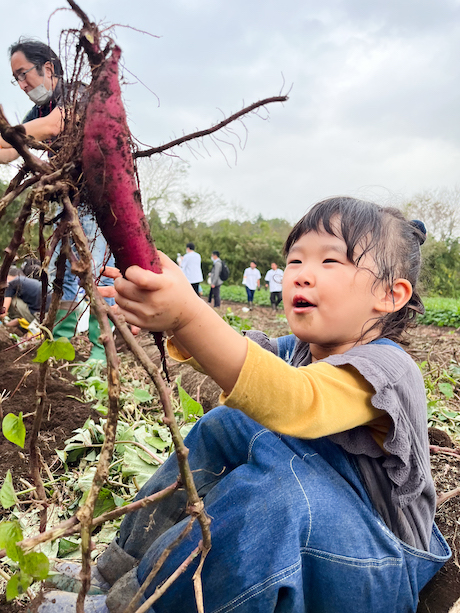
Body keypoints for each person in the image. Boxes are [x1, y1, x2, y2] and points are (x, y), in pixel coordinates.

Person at [34, 197, 451, 613]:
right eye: (294, 261)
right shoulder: (304, 350)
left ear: (390, 295)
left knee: (279, 491)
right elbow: (246, 358)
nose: (303, 275)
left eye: (330, 262)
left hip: (376, 571)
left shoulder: (387, 368)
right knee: (228, 424)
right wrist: (169, 317)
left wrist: (188, 314)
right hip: (325, 537)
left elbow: (296, 399)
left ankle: (145, 605)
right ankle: (117, 573)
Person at [0, 38, 114, 361]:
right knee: (57, 273)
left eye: (24, 75)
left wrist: (11, 133)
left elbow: (56, 125)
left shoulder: (75, 94)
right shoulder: (37, 110)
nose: (22, 85)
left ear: (47, 68)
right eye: (16, 79)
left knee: (98, 273)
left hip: (99, 200)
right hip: (68, 203)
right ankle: (58, 342)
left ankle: (101, 352)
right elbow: (10, 150)